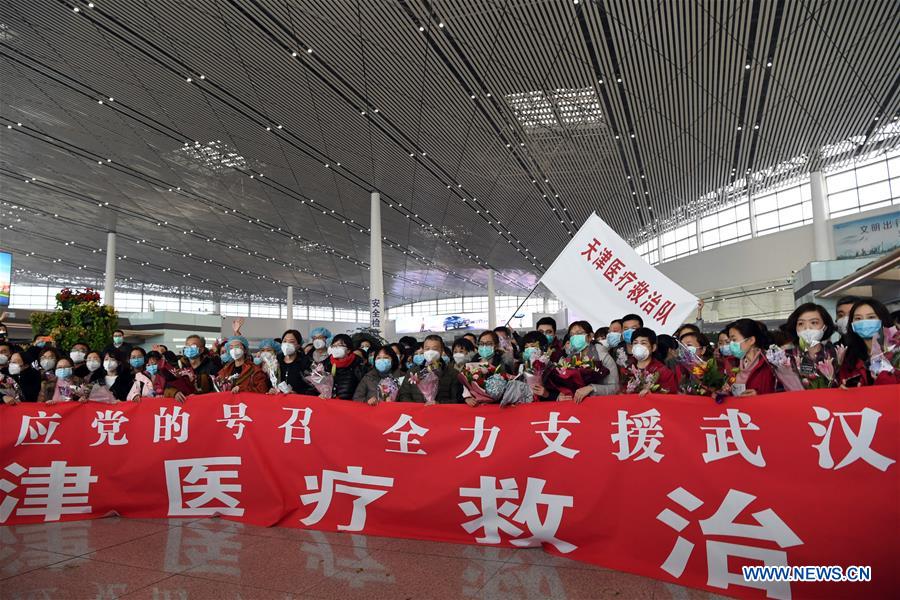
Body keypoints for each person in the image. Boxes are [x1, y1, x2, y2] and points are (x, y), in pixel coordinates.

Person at [842, 297, 898, 386]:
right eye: (858, 318)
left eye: (871, 317)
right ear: (852, 324)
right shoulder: (849, 357)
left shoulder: (896, 352)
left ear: (883, 319)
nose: (864, 322)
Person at [398, 334, 461, 403]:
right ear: (424, 350)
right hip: (416, 412)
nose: (430, 352)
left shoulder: (453, 373)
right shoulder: (413, 371)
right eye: (427, 349)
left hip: (441, 411)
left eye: (435, 349)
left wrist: (439, 403)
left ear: (442, 350)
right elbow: (404, 395)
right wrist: (416, 408)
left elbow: (456, 399)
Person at [726, 319, 776, 395]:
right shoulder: (732, 363)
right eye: (730, 341)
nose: (731, 344)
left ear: (751, 340)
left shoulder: (769, 363)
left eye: (734, 339)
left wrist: (758, 395)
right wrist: (724, 391)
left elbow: (780, 392)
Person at [624, 328, 677, 395]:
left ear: (653, 347)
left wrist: (652, 395)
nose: (638, 346)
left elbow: (671, 397)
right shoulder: (626, 370)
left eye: (643, 343)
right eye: (635, 343)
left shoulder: (663, 372)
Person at [272, 329, 316, 395]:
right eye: (284, 341)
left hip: (299, 401)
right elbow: (271, 380)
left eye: (291, 342)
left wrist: (298, 394)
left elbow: (313, 387)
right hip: (279, 399)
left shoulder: (306, 362)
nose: (287, 344)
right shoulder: (276, 360)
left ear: (298, 345)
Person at [324, 334, 365, 400]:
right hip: (329, 403)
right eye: (334, 346)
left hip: (350, 405)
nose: (336, 348)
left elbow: (363, 388)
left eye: (339, 345)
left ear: (348, 350)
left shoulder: (358, 364)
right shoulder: (326, 363)